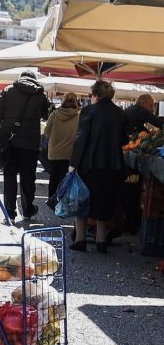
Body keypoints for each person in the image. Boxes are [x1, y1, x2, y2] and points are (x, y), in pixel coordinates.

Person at [69, 80, 127, 253]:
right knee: (105, 202)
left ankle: (80, 240)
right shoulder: (120, 114)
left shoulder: (88, 111)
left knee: (83, 201)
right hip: (113, 165)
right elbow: (124, 140)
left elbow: (81, 139)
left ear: (95, 94)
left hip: (90, 165)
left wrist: (73, 165)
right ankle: (101, 242)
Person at [0, 70, 50, 219]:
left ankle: (9, 212)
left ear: (20, 78)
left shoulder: (7, 90)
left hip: (9, 141)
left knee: (9, 176)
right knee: (28, 177)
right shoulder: (41, 95)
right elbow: (46, 115)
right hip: (30, 143)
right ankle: (27, 210)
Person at [43, 92, 80, 208]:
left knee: (53, 176)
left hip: (54, 152)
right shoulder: (78, 116)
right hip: (70, 153)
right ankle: (62, 201)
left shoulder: (54, 115)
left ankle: (51, 200)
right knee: (65, 178)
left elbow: (46, 132)